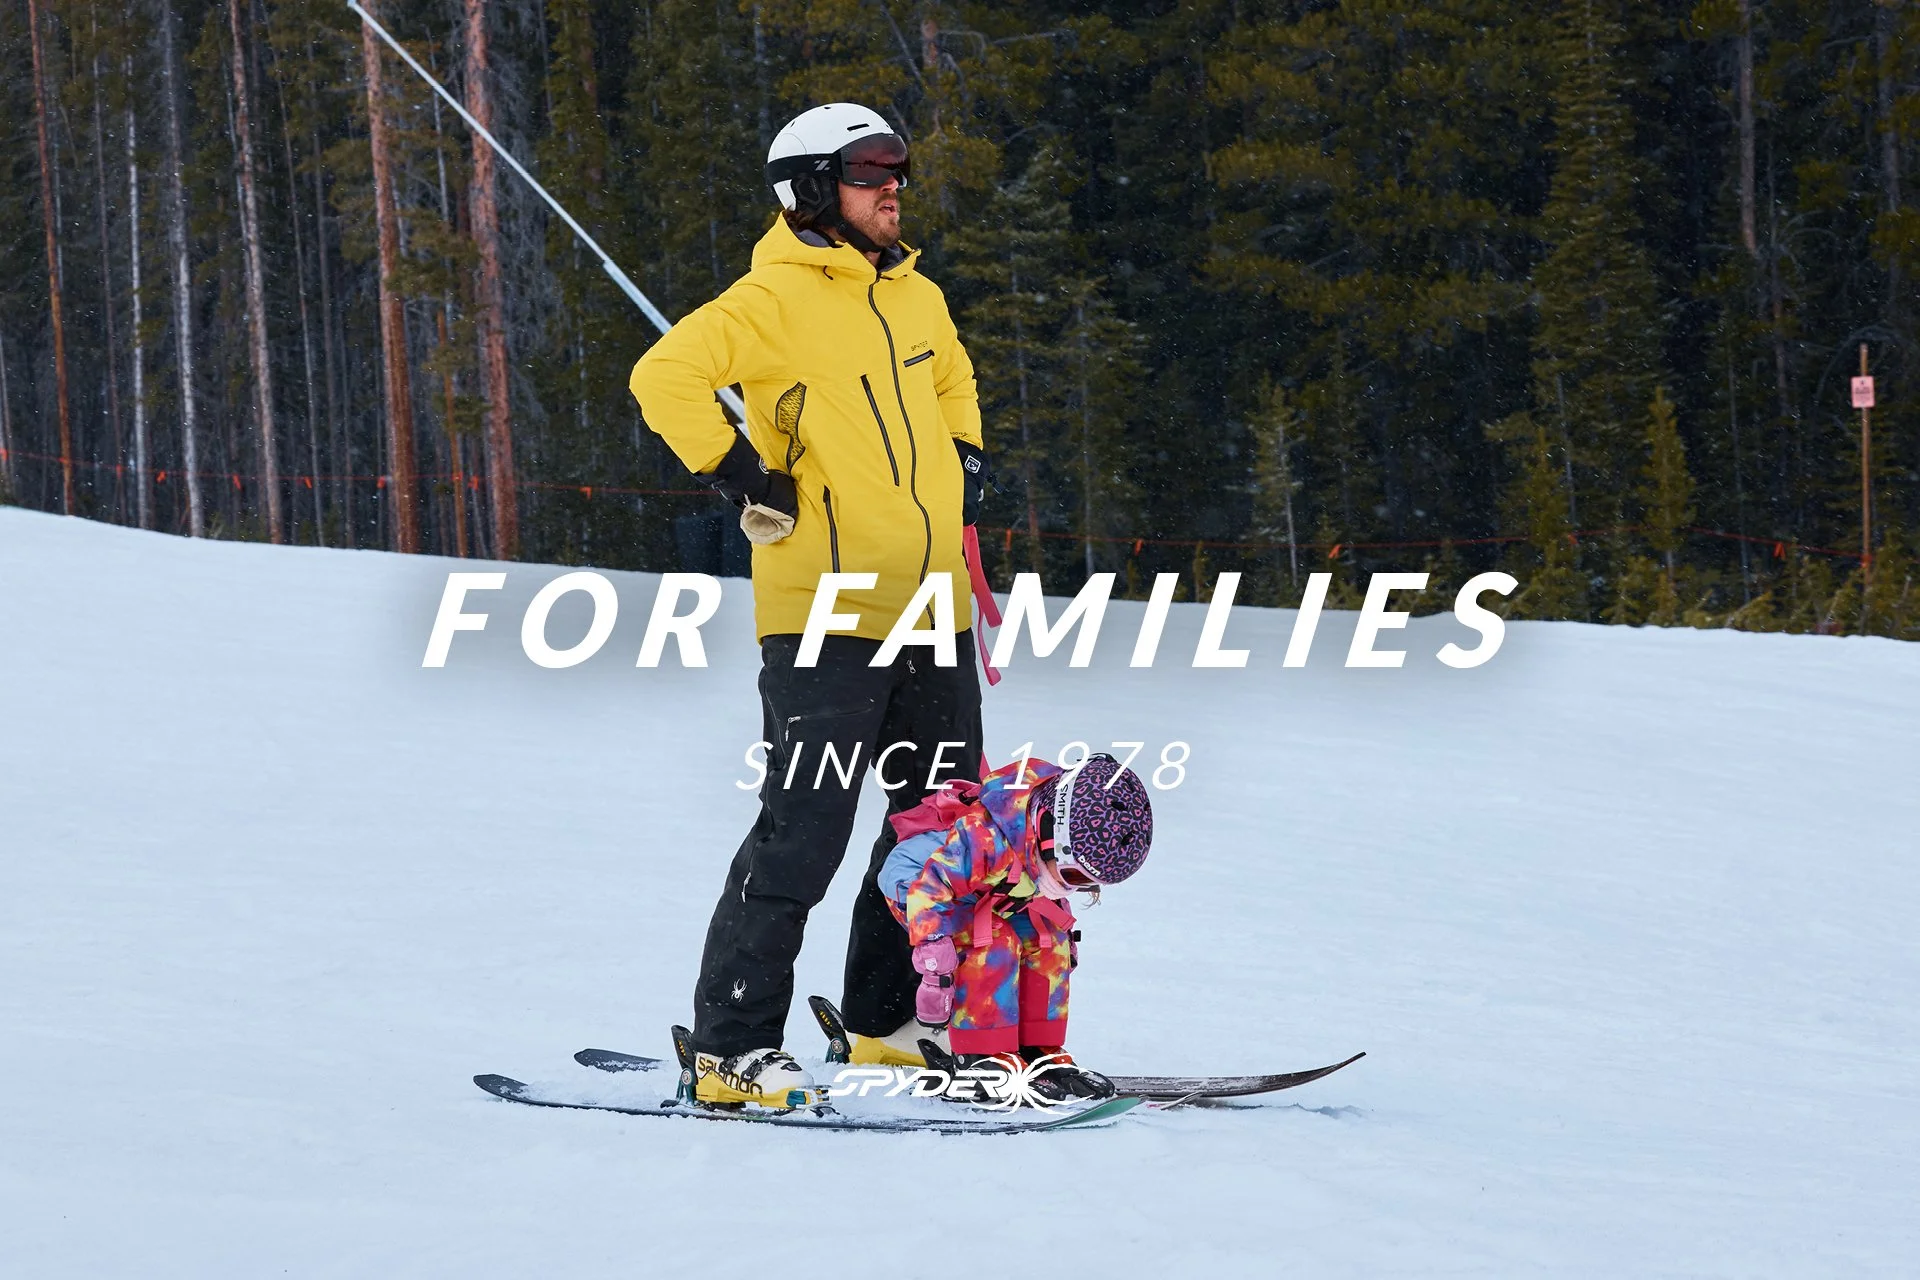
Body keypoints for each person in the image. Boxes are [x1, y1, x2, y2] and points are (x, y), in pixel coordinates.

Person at [628, 103, 992, 1109]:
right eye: (870, 170)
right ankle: (732, 1046)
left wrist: (962, 457)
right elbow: (664, 375)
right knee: (806, 831)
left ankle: (884, 1023)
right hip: (826, 611)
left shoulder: (914, 296)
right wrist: (742, 472)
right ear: (810, 188)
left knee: (933, 826)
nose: (893, 186)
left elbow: (956, 377)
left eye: (898, 168)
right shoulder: (770, 301)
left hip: (933, 605)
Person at [877, 753, 1154, 1103]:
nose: (1073, 887)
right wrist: (935, 960)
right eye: (1072, 875)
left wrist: (1062, 938)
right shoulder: (985, 840)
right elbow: (929, 890)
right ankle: (981, 1056)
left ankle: (1038, 1050)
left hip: (989, 891)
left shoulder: (1039, 847)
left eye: (1086, 883)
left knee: (1047, 939)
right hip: (919, 888)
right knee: (993, 943)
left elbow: (1042, 894)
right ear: (1049, 832)